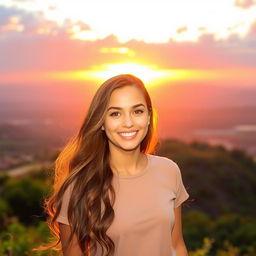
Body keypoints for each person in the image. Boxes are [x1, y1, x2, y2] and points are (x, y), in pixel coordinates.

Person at [40, 74, 189, 256]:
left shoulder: (169, 170)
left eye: (137, 111)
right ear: (101, 122)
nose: (128, 123)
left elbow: (177, 245)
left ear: (149, 116)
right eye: (115, 113)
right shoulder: (78, 186)